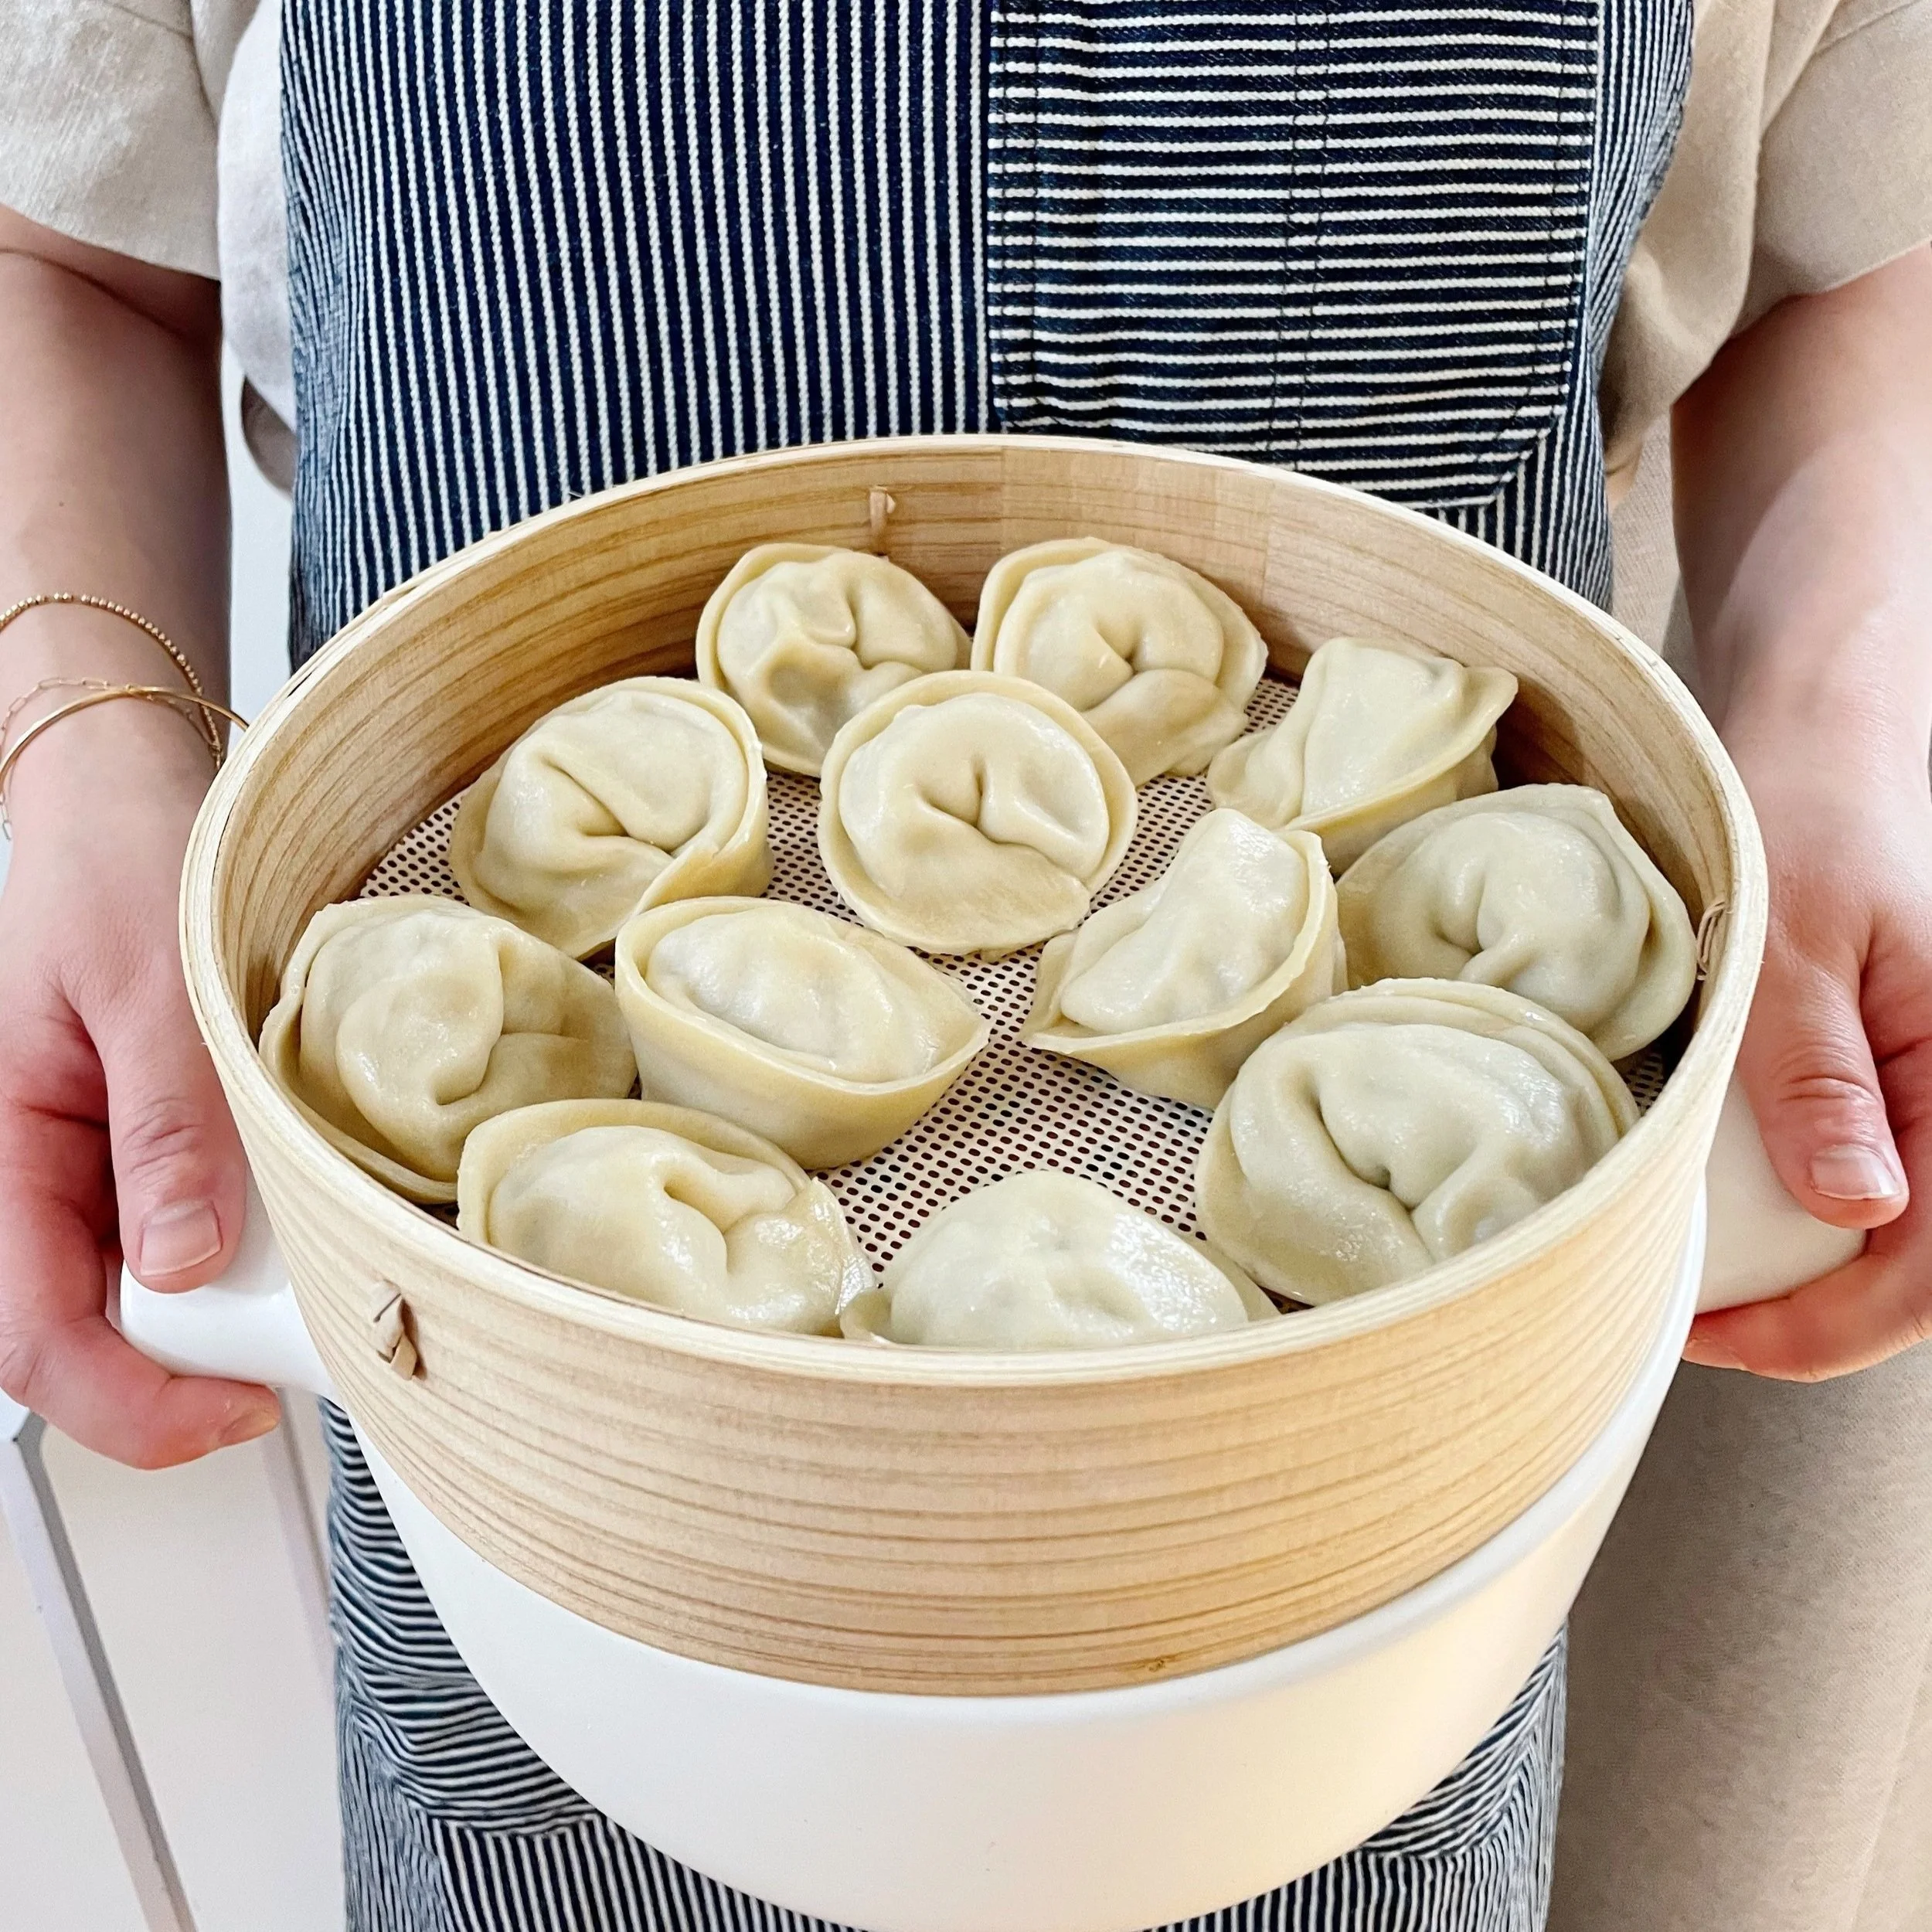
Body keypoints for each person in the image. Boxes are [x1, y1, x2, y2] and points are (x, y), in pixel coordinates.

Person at [0, 2, 1927, 1928]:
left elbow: (1852, 269)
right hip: (541, 1484)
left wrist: (1835, 730)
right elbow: (61, 263)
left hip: (1365, 1532)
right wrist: (78, 765)